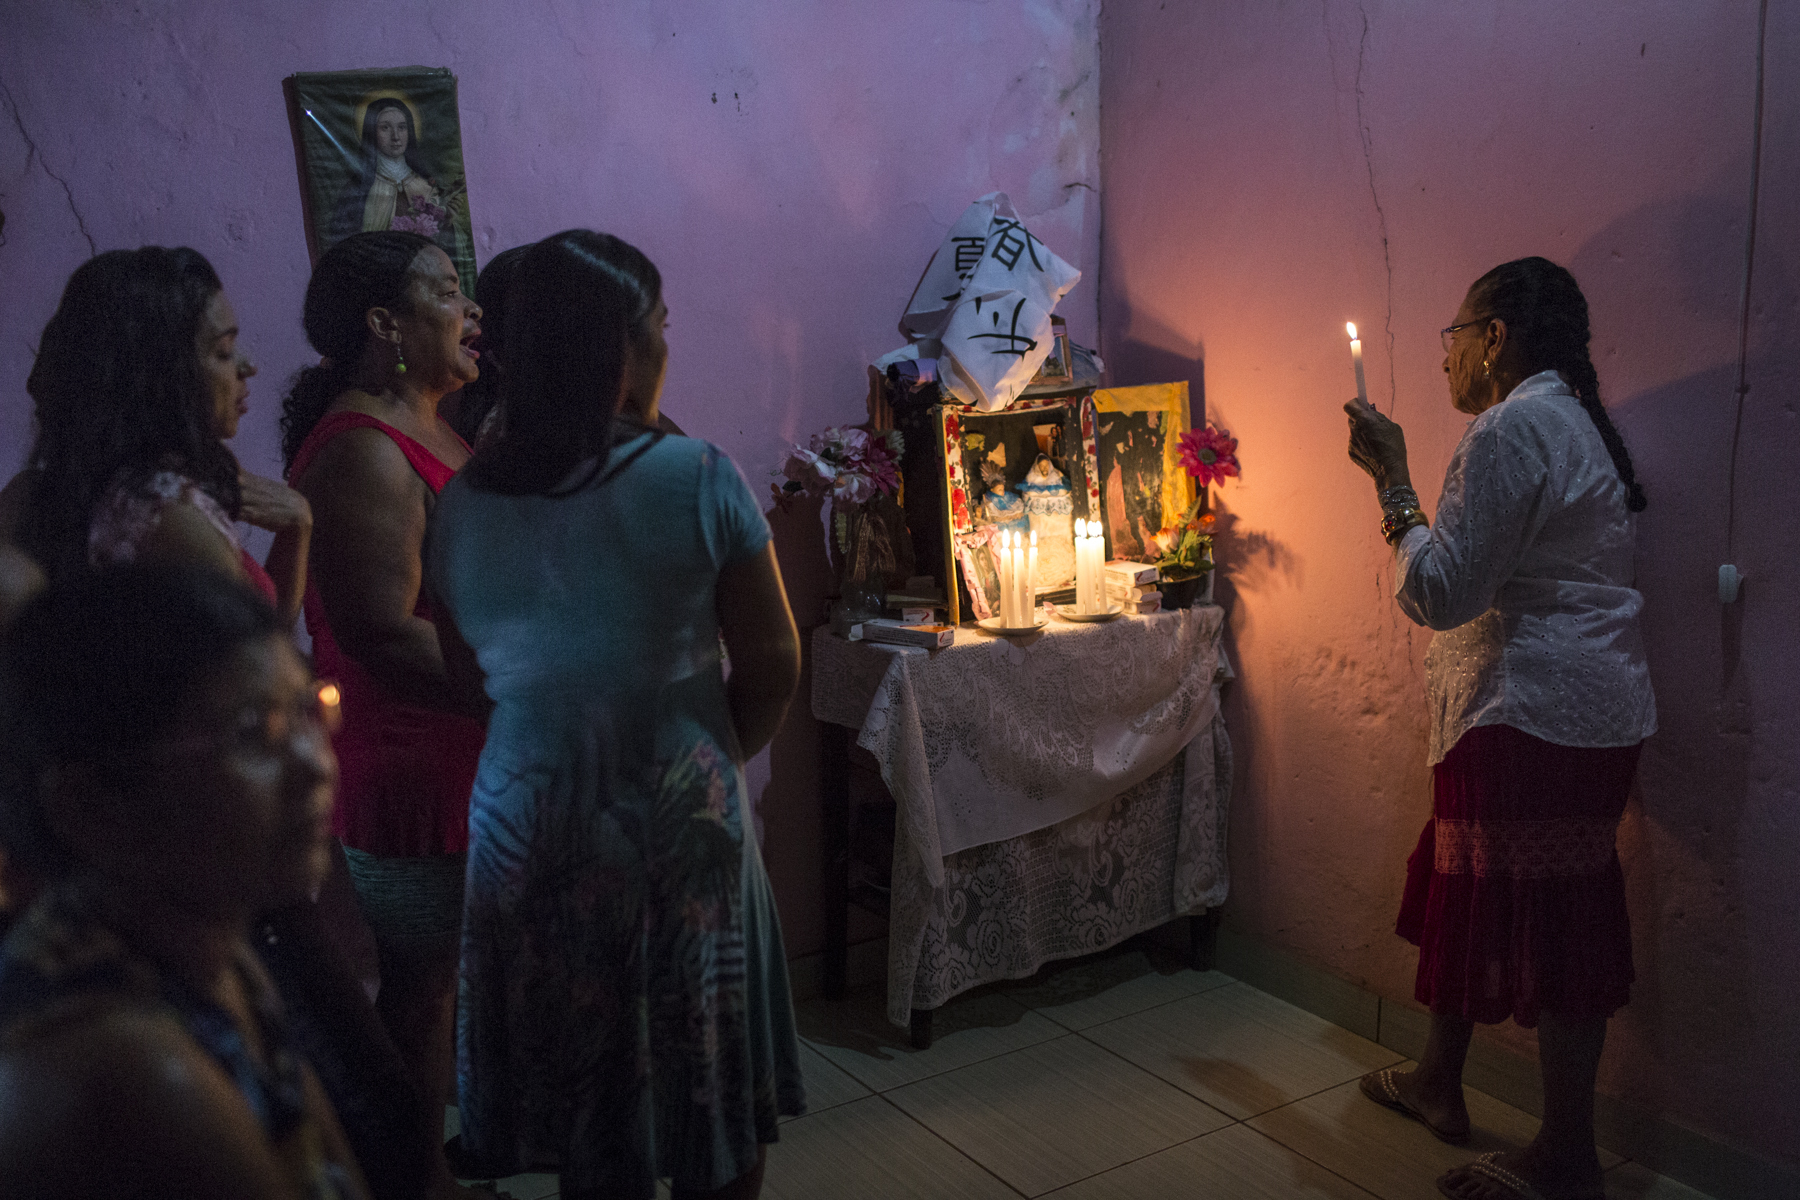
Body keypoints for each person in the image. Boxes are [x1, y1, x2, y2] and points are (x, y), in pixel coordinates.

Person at [424, 230, 805, 1200]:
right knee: (707, 1093)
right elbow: (772, 661)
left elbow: (469, 681)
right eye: (663, 325)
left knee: (590, 1104)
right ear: (623, 348)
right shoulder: (697, 478)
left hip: (527, 819)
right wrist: (707, 755)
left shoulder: (462, 503)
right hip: (680, 820)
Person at [1343, 256, 1655, 1200]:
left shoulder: (1509, 430)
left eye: (1453, 336)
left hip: (1532, 714)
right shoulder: (1569, 423)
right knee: (1470, 883)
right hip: (1569, 713)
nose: (1445, 358)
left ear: (1493, 339)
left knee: (1553, 925)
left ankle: (1567, 1157)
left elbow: (1442, 593)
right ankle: (1440, 1079)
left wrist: (1393, 484)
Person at [0, 565, 367, 1198]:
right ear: (93, 805)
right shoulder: (127, 1070)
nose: (315, 765)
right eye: (256, 732)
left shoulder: (207, 953)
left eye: (310, 710)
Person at [282, 230, 487, 1131]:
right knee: (418, 995)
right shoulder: (361, 447)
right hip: (411, 759)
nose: (471, 311)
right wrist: (519, 683)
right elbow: (381, 634)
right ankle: (412, 1178)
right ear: (385, 323)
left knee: (441, 989)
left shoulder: (429, 425)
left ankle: (430, 1167)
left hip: (461, 742)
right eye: (447, 292)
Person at [0, 247, 312, 623]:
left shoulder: (37, 492)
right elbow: (254, 669)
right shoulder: (172, 520)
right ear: (160, 377)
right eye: (223, 351)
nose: (248, 366)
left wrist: (298, 525)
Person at [332, 98, 444, 244]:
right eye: (385, 128)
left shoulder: (427, 187)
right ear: (372, 132)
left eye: (402, 127)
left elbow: (445, 240)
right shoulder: (357, 191)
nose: (396, 137)